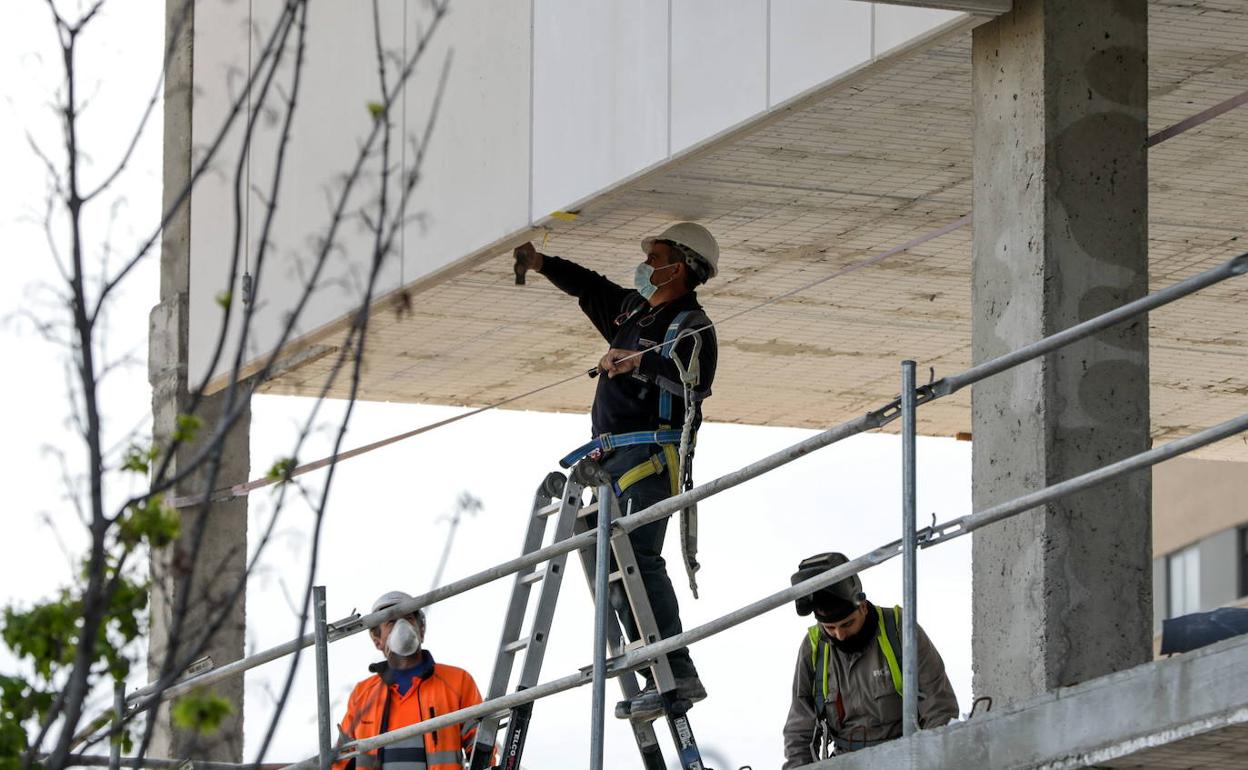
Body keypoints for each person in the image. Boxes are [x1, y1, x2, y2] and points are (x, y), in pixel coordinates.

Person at [513, 222, 720, 720]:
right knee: (614, 569)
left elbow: (693, 391)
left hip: (650, 457)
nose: (646, 264)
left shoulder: (692, 326)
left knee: (639, 561)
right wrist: (542, 264)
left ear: (683, 266)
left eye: (656, 256)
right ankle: (656, 671)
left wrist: (639, 365)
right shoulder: (632, 312)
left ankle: (677, 673)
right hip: (612, 457)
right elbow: (591, 287)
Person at [783, 553, 959, 766]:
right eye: (830, 628)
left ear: (863, 606)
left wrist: (935, 762)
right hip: (845, 762)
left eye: (847, 624)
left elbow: (938, 708)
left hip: (904, 758)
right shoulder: (813, 649)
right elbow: (799, 727)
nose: (839, 635)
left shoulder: (899, 629)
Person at [333, 591, 487, 770]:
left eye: (408, 618)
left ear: (421, 630)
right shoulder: (362, 694)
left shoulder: (457, 681)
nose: (402, 626)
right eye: (390, 621)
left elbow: (481, 746)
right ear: (377, 640)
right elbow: (342, 762)